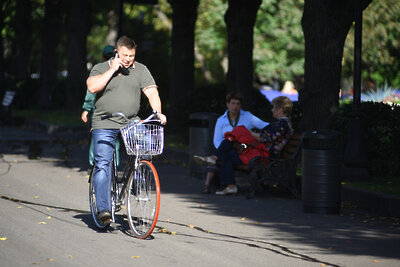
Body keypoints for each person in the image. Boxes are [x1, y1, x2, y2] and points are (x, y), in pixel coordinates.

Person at [86, 36, 167, 224]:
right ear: (117, 52)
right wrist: (113, 69)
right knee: (103, 165)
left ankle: (137, 177)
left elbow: (152, 91)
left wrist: (157, 112)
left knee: (147, 144)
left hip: (130, 122)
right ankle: (104, 210)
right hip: (104, 123)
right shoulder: (101, 67)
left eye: (131, 55)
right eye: (125, 55)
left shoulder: (141, 69)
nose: (128, 59)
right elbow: (92, 87)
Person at [193, 91, 269, 194]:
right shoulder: (221, 120)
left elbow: (265, 126)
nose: (235, 107)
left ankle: (214, 159)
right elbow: (217, 141)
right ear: (228, 104)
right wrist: (229, 147)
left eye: (238, 104)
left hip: (245, 152)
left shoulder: (247, 116)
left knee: (231, 139)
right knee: (227, 146)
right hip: (230, 151)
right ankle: (230, 186)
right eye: (233, 103)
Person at [81, 45, 118, 167]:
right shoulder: (120, 71)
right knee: (115, 139)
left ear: (102, 56)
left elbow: (91, 92)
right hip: (117, 111)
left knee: (96, 138)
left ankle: (94, 163)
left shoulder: (98, 70)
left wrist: (86, 109)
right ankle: (114, 164)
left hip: (99, 112)